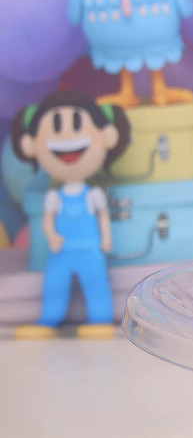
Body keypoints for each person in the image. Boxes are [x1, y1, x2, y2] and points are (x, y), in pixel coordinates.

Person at [11, 92, 131, 337]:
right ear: (30, 144)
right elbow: (48, 221)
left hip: (90, 249)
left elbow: (103, 217)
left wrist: (106, 238)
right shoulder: (54, 197)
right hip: (61, 251)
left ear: (108, 136)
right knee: (55, 285)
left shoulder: (93, 194)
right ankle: (49, 319)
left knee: (96, 284)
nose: (66, 139)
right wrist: (52, 236)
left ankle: (100, 318)